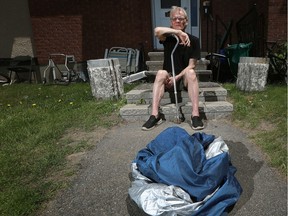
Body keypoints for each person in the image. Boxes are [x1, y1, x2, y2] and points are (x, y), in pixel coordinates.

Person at [142, 6, 204, 131]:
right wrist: (177, 32)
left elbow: (192, 64)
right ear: (171, 22)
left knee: (191, 72)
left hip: (183, 78)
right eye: (174, 18)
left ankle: (195, 115)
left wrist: (178, 77)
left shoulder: (194, 40)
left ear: (186, 21)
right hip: (169, 78)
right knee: (160, 73)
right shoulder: (168, 38)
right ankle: (155, 115)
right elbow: (157, 30)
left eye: (180, 18)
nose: (177, 21)